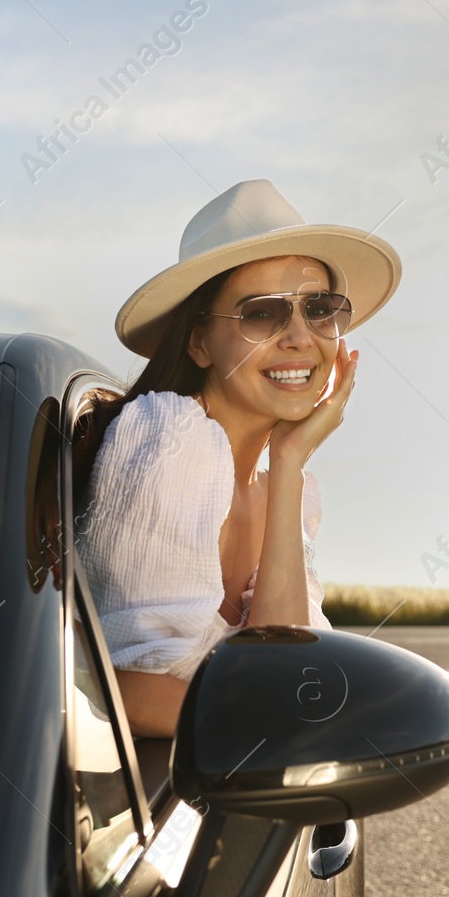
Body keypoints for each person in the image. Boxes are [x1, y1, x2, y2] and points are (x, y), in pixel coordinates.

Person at [71, 179, 402, 739]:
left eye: (319, 309)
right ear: (198, 343)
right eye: (262, 313)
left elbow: (279, 669)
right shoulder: (166, 443)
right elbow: (125, 690)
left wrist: (291, 459)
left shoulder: (280, 490)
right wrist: (266, 727)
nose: (301, 337)